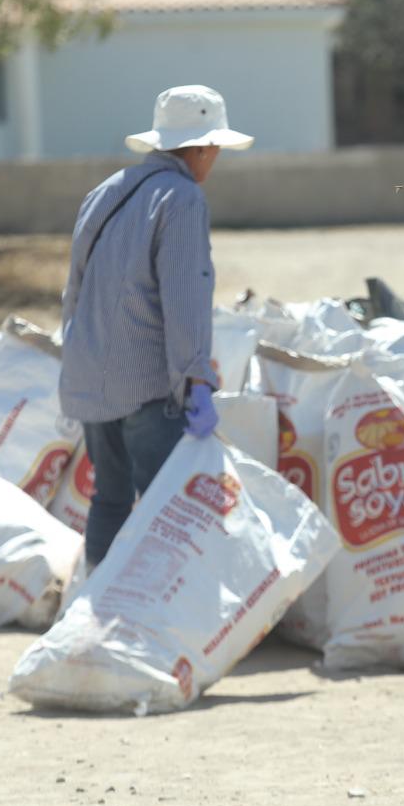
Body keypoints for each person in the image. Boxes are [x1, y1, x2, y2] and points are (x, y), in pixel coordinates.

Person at [58, 84, 255, 568]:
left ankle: (100, 602)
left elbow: (74, 289)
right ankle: (157, 610)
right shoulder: (183, 198)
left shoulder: (107, 191)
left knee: (109, 498)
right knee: (166, 507)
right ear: (202, 148)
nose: (215, 158)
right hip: (146, 387)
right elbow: (185, 297)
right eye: (215, 148)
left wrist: (79, 362)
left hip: (91, 379)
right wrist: (195, 379)